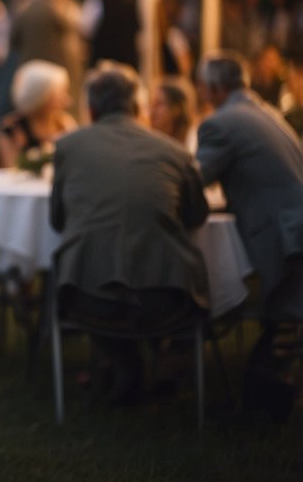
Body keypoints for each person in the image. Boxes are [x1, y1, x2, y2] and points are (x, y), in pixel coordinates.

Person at [50, 62, 209, 404]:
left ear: (91, 109)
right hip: (167, 298)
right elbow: (197, 217)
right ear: (137, 107)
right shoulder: (176, 152)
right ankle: (153, 367)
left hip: (86, 298)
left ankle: (124, 365)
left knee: (100, 285)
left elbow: (57, 220)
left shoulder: (67, 148)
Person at [194, 51, 303, 419]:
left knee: (281, 324)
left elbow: (191, 183)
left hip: (282, 236)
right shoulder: (266, 112)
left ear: (212, 88)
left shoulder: (221, 124)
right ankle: (268, 396)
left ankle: (266, 404)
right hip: (295, 226)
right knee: (284, 322)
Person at [0, 59, 77, 168]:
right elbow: (12, 168)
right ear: (41, 97)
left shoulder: (64, 123)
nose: (67, 101)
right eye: (59, 95)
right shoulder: (11, 129)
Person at [81, 0, 139, 68]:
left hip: (102, 62)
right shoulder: (132, 4)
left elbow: (86, 29)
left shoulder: (96, 1)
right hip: (127, 63)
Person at [148, 76, 198, 147]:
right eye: (151, 104)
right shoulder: (150, 142)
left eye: (158, 104)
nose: (152, 111)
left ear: (177, 109)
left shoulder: (194, 141)